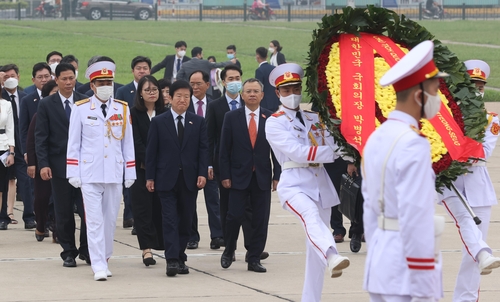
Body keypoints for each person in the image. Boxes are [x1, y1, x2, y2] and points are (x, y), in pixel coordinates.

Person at [362, 41, 445, 301]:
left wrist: (376, 261)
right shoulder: (413, 144)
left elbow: (370, 209)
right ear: (419, 96)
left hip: (382, 263)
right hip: (407, 272)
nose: (438, 96)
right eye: (435, 90)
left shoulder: (377, 136)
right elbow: (415, 218)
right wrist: (424, 288)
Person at [265, 63, 350, 301]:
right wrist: (333, 154)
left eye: (295, 88)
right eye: (286, 90)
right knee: (311, 218)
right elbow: (298, 152)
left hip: (320, 185)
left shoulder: (315, 117)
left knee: (314, 253)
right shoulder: (274, 122)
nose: (292, 94)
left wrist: (347, 150)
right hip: (294, 184)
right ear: (277, 93)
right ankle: (332, 254)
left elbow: (333, 142)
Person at [66, 59, 136, 281]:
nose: (106, 86)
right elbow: (73, 144)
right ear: (92, 85)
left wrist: (130, 172)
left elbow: (128, 144)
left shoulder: (122, 108)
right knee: (94, 220)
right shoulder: (81, 108)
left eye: (109, 81)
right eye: (101, 82)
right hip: (90, 173)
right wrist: (73, 172)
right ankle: (97, 265)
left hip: (114, 173)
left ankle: (105, 259)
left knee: (109, 220)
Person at [438, 59, 500, 301]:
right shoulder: (445, 115)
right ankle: (484, 253)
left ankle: (465, 298)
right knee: (467, 224)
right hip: (448, 183)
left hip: (478, 185)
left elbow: (483, 153)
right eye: (471, 84)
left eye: (480, 85)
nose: (476, 89)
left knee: (471, 245)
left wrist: (456, 152)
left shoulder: (490, 119)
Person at [145, 80, 208, 277]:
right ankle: (172, 260)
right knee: (169, 219)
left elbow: (203, 150)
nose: (183, 100)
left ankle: (180, 256)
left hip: (189, 179)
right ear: (170, 98)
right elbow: (151, 152)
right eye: (178, 96)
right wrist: (150, 177)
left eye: (186, 97)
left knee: (186, 220)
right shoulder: (158, 121)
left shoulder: (197, 121)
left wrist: (202, 173)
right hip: (165, 178)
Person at [219, 78, 280, 273]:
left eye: (256, 91)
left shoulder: (271, 118)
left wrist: (277, 175)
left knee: (260, 220)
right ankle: (229, 250)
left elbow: (277, 151)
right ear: (242, 95)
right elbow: (224, 150)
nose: (252, 94)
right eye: (248, 91)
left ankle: (254, 258)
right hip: (238, 176)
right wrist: (225, 175)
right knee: (233, 216)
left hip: (261, 177)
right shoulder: (231, 117)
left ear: (262, 95)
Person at [35, 62, 90, 267]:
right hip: (59, 167)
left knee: (87, 210)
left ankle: (86, 249)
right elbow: (41, 137)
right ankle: (68, 251)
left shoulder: (84, 102)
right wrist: (43, 164)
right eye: (64, 79)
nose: (68, 82)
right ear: (55, 80)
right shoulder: (47, 105)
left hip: (84, 167)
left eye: (71, 78)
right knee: (63, 211)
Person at [130, 75, 166, 266]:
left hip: (163, 170)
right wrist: (150, 161)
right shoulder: (133, 114)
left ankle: (165, 244)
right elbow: (135, 143)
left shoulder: (165, 112)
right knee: (142, 210)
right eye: (147, 90)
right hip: (141, 170)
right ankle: (146, 250)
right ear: (140, 94)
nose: (152, 93)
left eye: (155, 89)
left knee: (162, 209)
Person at [186, 70, 224, 250]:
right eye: (191, 84)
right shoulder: (184, 105)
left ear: (207, 85)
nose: (194, 87)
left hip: (210, 161)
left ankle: (217, 235)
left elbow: (215, 137)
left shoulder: (215, 105)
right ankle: (192, 236)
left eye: (198, 84)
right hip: (189, 162)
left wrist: (210, 162)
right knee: (189, 201)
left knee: (213, 200)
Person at [115, 55, 152, 232]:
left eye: (145, 68)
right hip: (127, 141)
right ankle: (129, 215)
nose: (142, 71)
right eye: (139, 68)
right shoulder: (123, 91)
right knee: (129, 184)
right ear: (133, 71)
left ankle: (141, 220)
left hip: (147, 143)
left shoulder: (154, 90)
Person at [0, 64, 35, 230]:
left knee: (25, 180)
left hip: (22, 144)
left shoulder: (26, 96)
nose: (9, 79)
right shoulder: (1, 98)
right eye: (5, 77)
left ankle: (29, 217)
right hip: (5, 144)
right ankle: (4, 215)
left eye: (12, 75)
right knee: (5, 182)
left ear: (19, 77)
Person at [28, 79, 59, 242]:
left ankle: (57, 230)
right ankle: (41, 224)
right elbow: (33, 141)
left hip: (61, 163)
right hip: (42, 162)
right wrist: (32, 163)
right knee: (42, 197)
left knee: (59, 198)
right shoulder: (39, 114)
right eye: (53, 93)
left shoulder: (68, 112)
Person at [20, 63, 52, 160]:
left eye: (46, 76)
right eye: (40, 77)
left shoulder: (57, 98)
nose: (44, 80)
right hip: (35, 148)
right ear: (33, 80)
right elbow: (23, 128)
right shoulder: (27, 100)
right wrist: (26, 152)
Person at [0, 94, 16, 231]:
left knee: (1, 187)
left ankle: (2, 217)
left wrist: (11, 152)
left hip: (3, 147)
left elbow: (10, 129)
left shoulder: (6, 104)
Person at [254, 47, 280, 112]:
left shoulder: (259, 70)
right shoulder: (274, 68)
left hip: (265, 103)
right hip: (275, 101)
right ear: (267, 56)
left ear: (257, 56)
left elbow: (258, 88)